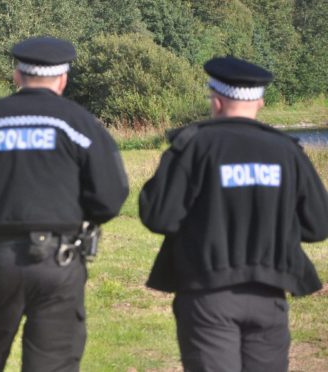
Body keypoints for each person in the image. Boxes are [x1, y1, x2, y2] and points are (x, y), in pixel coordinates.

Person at [0, 36, 129, 372]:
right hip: (60, 259)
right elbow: (110, 198)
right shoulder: (80, 125)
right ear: (63, 79)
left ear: (17, 76)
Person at [138, 56, 328, 371]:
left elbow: (159, 216)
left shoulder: (193, 145)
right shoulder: (288, 151)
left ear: (216, 100)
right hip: (270, 294)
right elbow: (318, 225)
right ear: (261, 102)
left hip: (207, 294)